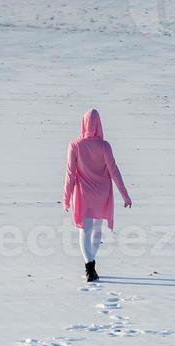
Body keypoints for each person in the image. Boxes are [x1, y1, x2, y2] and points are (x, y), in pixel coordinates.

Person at [63, 108, 132, 283]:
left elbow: (70, 173)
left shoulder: (75, 145)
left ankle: (89, 265)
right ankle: (91, 263)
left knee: (84, 230)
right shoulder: (105, 146)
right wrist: (125, 195)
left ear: (83, 124)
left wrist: (66, 197)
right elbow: (114, 171)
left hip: (83, 194)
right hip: (102, 193)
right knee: (97, 229)